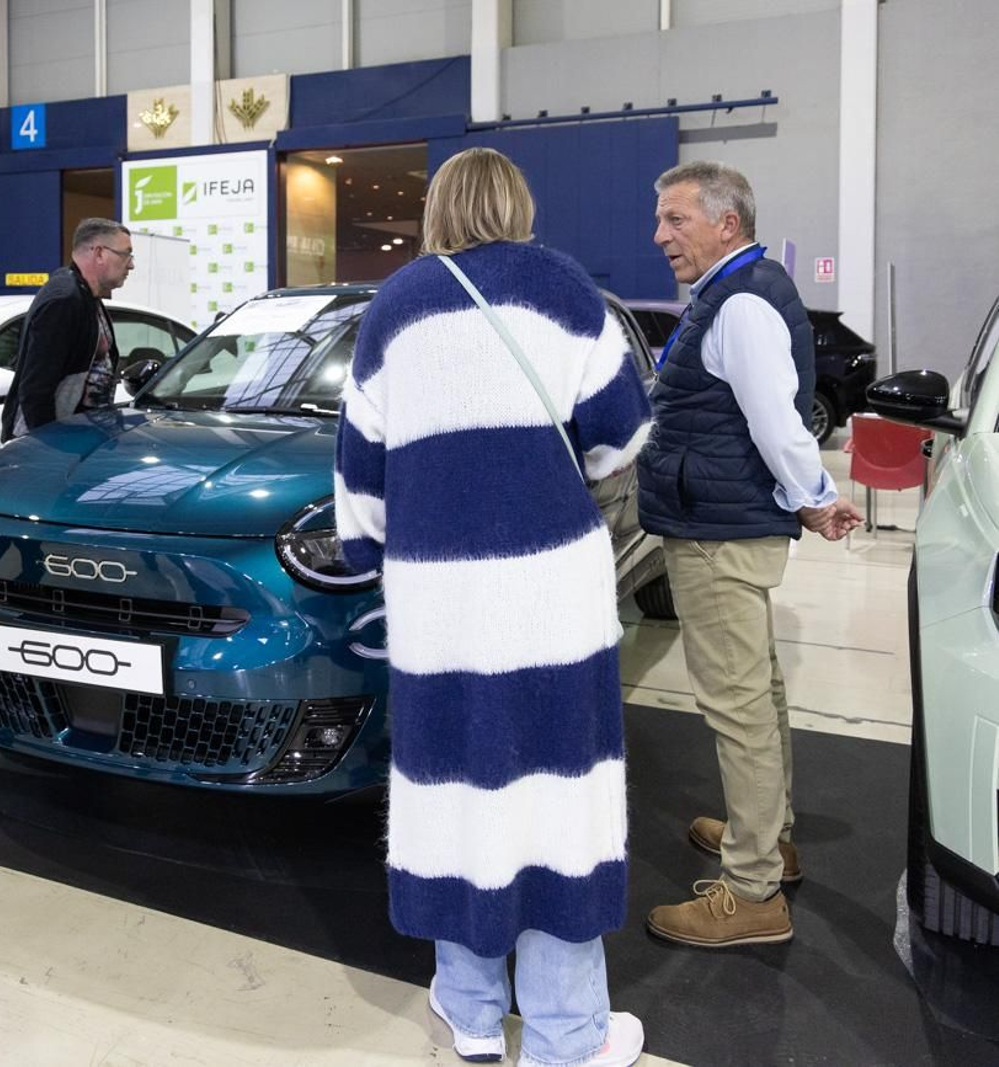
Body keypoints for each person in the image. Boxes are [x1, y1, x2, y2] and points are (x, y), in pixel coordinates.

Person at [335, 147, 650, 1067]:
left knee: (456, 788)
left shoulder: (394, 305)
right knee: (558, 796)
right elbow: (622, 434)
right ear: (518, 203)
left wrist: (374, 552)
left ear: (437, 209)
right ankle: (566, 1033)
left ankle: (472, 1012)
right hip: (551, 587)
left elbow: (360, 475)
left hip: (439, 595)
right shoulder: (564, 288)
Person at [638, 161, 863, 948]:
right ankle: (767, 836)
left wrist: (816, 495)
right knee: (756, 693)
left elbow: (776, 419)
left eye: (676, 219)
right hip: (723, 522)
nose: (660, 235)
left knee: (736, 706)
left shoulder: (739, 303)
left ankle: (752, 888)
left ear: (726, 222)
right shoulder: (733, 292)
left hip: (718, 536)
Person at [0, 218, 134, 441]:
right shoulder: (64, 300)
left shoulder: (86, 297)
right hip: (48, 445)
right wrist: (52, 447)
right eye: (126, 254)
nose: (131, 265)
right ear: (99, 253)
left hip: (77, 438)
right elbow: (36, 390)